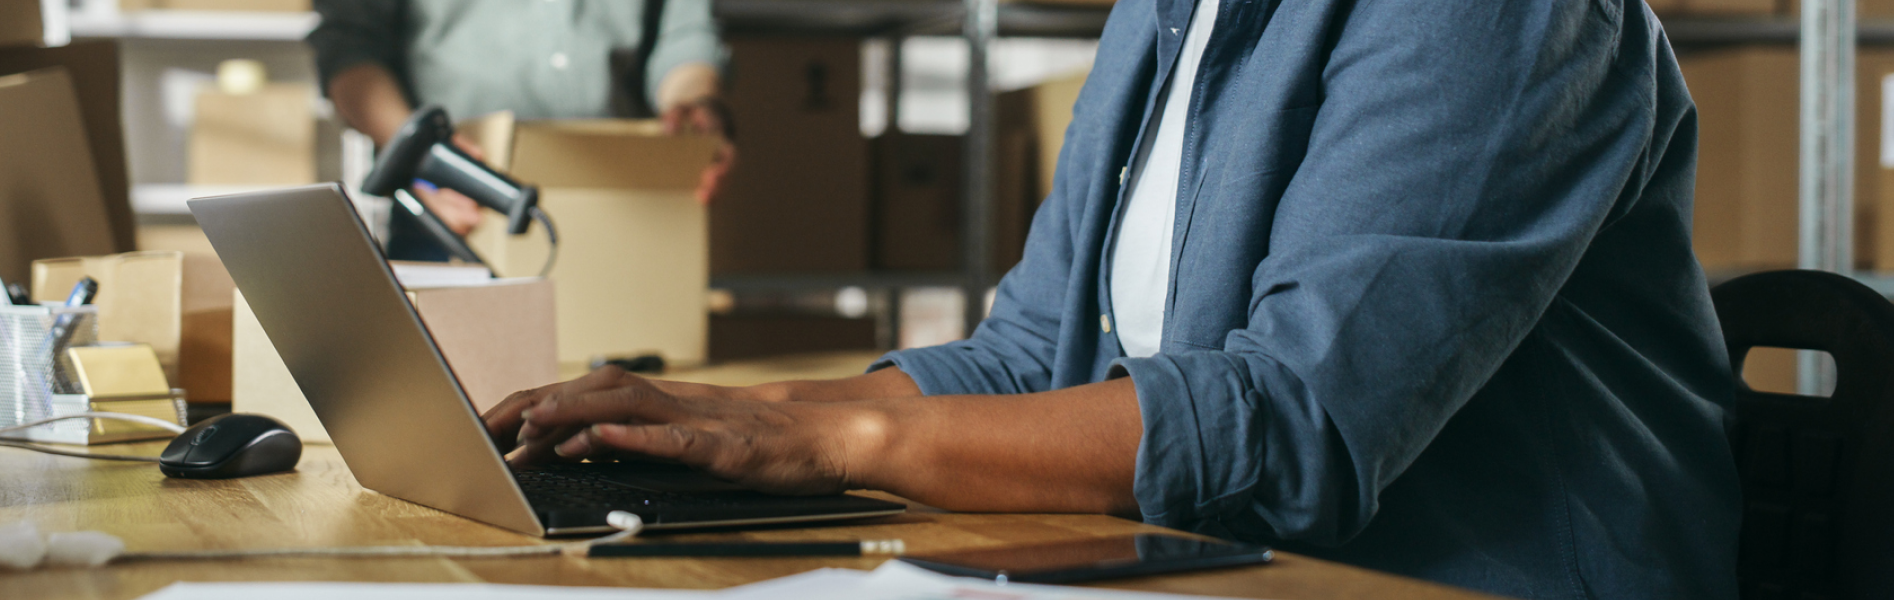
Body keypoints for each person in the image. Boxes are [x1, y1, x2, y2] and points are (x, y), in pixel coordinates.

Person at [483, 0, 1742, 598]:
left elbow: (1290, 423)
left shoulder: (1489, 13)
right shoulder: (1173, 12)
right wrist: (705, 418)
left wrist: (835, 438)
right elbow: (1034, 349)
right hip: (1239, 569)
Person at [308, 0, 731, 261]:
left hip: (630, 210)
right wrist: (415, 149)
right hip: (451, 211)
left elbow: (685, 34)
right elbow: (348, 45)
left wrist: (693, 106)